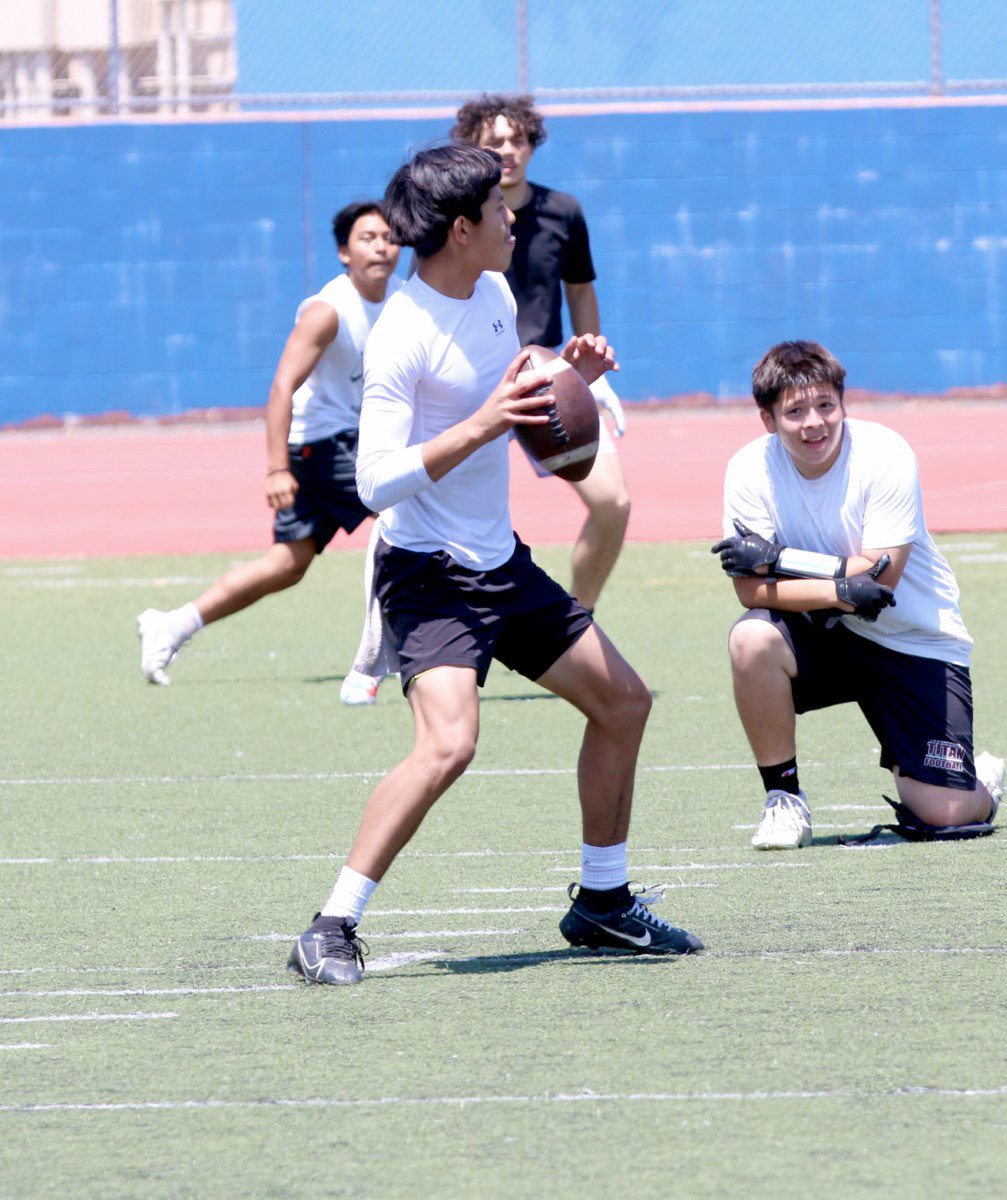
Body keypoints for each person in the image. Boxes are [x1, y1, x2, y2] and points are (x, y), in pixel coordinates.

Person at [287, 142, 703, 985]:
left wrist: (559, 379)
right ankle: (330, 926)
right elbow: (373, 480)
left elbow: (514, 395)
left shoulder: (493, 289)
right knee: (449, 745)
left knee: (623, 702)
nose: (516, 216)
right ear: (462, 226)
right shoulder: (400, 333)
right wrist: (481, 423)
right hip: (429, 573)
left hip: (499, 563)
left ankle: (602, 903)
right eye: (498, 209)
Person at [711, 339, 1004, 850]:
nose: (814, 423)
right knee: (751, 639)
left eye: (825, 405)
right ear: (767, 419)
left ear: (843, 403)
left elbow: (879, 583)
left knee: (946, 815)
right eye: (795, 411)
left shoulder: (885, 453)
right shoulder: (747, 470)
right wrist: (838, 588)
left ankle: (984, 779)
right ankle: (784, 801)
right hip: (821, 634)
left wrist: (780, 560)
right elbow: (748, 588)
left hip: (913, 637)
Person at [136, 200, 400, 686]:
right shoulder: (328, 311)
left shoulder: (405, 300)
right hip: (322, 445)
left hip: (351, 442)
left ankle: (172, 624)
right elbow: (282, 387)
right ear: (344, 252)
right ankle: (382, 658)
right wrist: (276, 467)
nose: (382, 246)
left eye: (389, 237)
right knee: (405, 510)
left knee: (288, 564)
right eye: (368, 238)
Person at [452, 93, 631, 613]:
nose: (508, 149)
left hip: (544, 374)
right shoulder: (455, 217)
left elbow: (579, 288)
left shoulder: (563, 211)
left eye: (518, 138)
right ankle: (380, 648)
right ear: (472, 147)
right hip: (475, 377)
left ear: (532, 144)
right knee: (418, 511)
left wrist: (595, 378)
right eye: (494, 141)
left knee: (613, 503)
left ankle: (580, 619)